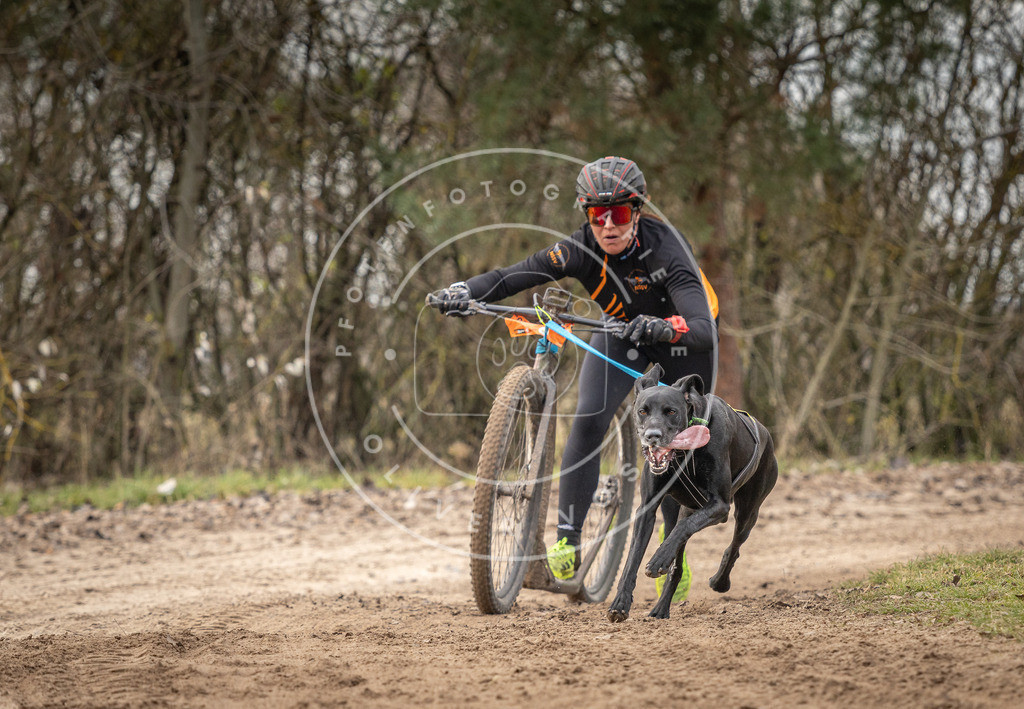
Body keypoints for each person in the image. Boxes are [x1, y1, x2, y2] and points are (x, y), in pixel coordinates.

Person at [430, 156, 718, 599]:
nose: (607, 225)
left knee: (674, 447)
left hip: (684, 339)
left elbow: (702, 325)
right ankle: (568, 536)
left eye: (618, 214)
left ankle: (670, 547)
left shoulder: (667, 249)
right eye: (596, 215)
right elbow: (514, 275)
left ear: (636, 213)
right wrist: (465, 291)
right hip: (622, 330)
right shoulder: (579, 249)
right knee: (587, 417)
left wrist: (666, 326)